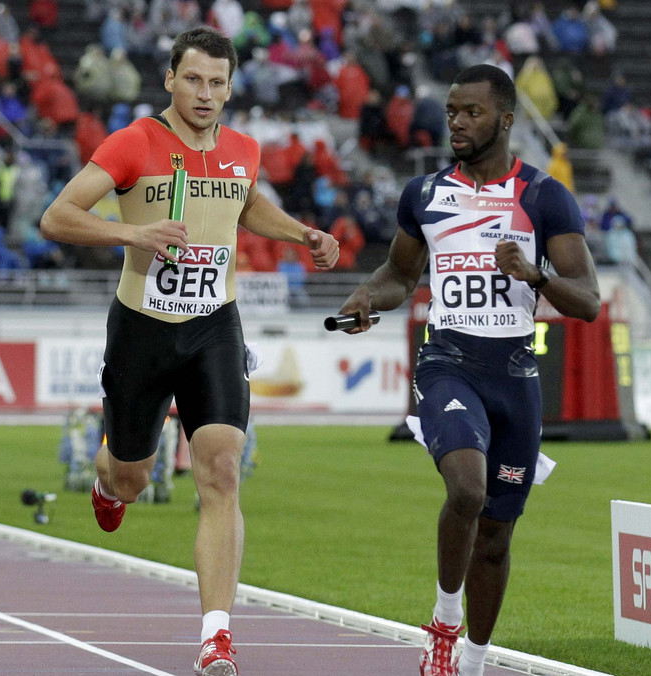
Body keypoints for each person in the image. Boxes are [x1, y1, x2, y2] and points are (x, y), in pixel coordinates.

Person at [38, 27, 339, 676]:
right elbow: (56, 218)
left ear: (231, 88)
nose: (205, 94)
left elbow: (246, 204)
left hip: (213, 327)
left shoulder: (242, 150)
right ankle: (109, 482)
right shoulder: (133, 143)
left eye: (217, 83)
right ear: (170, 79)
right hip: (143, 330)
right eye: (194, 79)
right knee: (132, 475)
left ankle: (215, 636)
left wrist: (302, 235)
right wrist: (133, 233)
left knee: (221, 471)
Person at [335, 64, 600, 676]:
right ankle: (443, 624)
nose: (456, 122)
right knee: (467, 490)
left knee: (498, 534)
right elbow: (401, 275)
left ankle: (475, 659)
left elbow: (586, 301)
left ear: (506, 120)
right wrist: (368, 297)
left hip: (514, 371)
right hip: (448, 361)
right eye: (452, 111)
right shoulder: (424, 196)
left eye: (471, 112)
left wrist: (535, 276)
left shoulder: (543, 196)